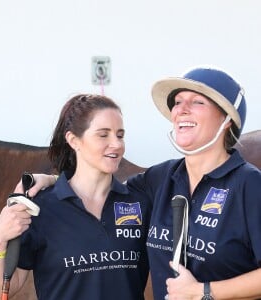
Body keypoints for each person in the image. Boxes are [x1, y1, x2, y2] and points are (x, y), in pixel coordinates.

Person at [24, 66, 261, 299]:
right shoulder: (160, 180)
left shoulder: (249, 184)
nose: (181, 110)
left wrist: (203, 292)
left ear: (227, 118)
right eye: (177, 102)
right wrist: (53, 181)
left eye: (197, 102)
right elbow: (97, 185)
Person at [0, 94, 152, 300]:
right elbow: (5, 289)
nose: (116, 144)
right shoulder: (41, 207)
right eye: (103, 135)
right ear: (74, 140)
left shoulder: (140, 202)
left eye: (120, 135)